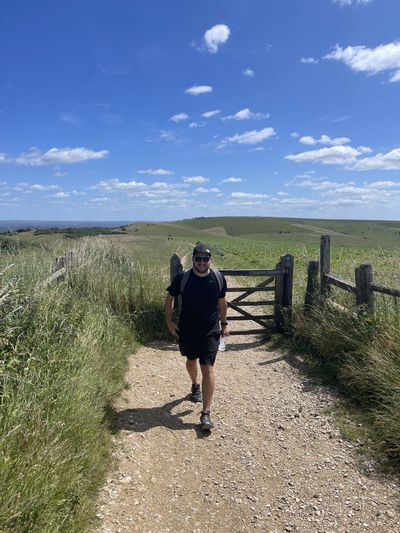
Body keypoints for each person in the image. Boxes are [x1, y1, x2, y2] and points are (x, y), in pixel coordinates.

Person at [165, 243, 229, 430]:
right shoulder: (183, 278)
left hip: (210, 330)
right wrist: (169, 322)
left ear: (210, 260)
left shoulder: (218, 278)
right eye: (198, 258)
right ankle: (195, 385)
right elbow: (170, 299)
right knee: (191, 360)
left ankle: (206, 413)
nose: (202, 262)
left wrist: (224, 324)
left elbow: (222, 301)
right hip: (187, 330)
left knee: (207, 367)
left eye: (205, 258)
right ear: (193, 259)